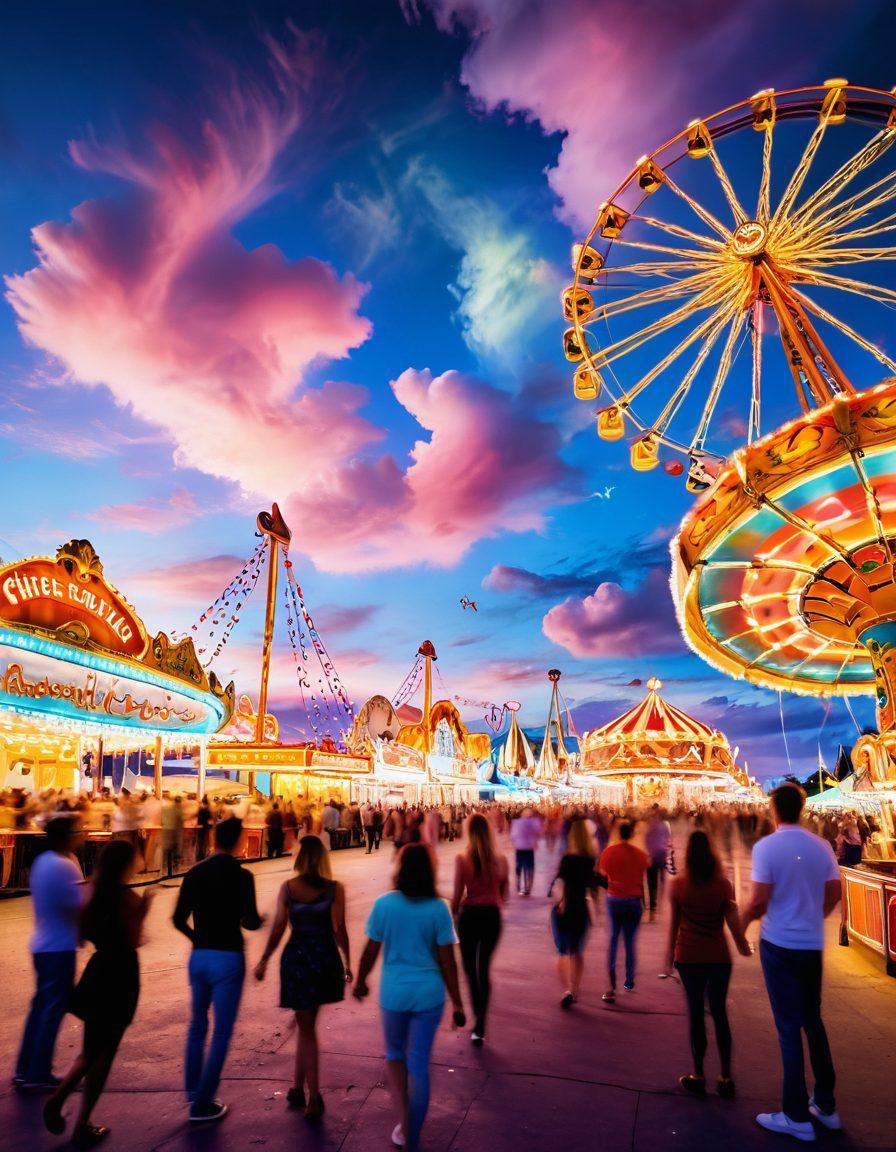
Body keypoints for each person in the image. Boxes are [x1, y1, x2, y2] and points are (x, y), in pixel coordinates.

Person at [742, 783, 843, 1141]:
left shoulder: (767, 847)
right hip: (811, 944)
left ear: (773, 809)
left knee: (788, 1027)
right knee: (812, 1020)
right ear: (801, 808)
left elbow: (758, 902)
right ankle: (826, 1106)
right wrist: (812, 919)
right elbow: (834, 892)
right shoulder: (822, 845)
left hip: (779, 943)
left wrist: (739, 929)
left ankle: (796, 1114)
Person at [354, 844, 465, 1152]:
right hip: (429, 995)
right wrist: (457, 1002)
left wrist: (361, 980)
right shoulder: (438, 908)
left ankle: (404, 1122)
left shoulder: (384, 905)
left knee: (395, 1055)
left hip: (395, 994)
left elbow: (370, 950)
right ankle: (412, 1134)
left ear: (400, 869)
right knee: (419, 1064)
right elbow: (448, 962)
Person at [43, 840, 152, 1147]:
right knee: (106, 1051)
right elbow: (134, 939)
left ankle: (59, 1098)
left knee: (91, 1047)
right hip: (121, 973)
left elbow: (80, 936)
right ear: (126, 865)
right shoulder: (127, 897)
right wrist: (143, 912)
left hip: (98, 969)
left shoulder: (91, 892)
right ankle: (82, 1122)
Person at [173, 816, 263, 1124]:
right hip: (228, 956)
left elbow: (177, 918)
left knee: (197, 1024)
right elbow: (249, 920)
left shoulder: (195, 873)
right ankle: (203, 1101)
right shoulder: (242, 877)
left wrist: (197, 938)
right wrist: (258, 920)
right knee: (221, 1032)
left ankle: (192, 1090)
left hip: (200, 957)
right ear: (238, 840)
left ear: (214, 838)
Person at [254, 836, 351, 1118]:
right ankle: (299, 1089)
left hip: (296, 958)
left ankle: (313, 1097)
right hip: (323, 957)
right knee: (307, 1025)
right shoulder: (335, 889)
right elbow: (339, 927)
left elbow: (278, 928)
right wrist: (347, 961)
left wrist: (264, 959)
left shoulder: (289, 888)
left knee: (305, 1024)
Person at [665, 830, 751, 1099]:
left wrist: (669, 957)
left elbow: (674, 925)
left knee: (695, 1014)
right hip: (718, 956)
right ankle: (725, 1077)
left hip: (688, 955)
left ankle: (698, 1074)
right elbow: (733, 921)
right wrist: (742, 945)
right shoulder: (723, 885)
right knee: (720, 1013)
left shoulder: (678, 885)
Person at [15, 815, 85, 1091]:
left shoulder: (42, 862)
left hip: (42, 944)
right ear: (65, 837)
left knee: (40, 1009)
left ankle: (25, 1069)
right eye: (76, 832)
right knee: (52, 1010)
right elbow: (79, 905)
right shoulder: (64, 865)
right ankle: (38, 1073)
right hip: (60, 946)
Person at [452, 813, 509, 1044]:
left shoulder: (462, 859)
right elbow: (504, 895)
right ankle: (481, 1023)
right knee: (483, 968)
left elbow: (456, 898)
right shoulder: (501, 860)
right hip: (492, 916)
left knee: (469, 970)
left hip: (470, 916)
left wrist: (456, 910)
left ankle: (476, 1015)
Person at [549, 819, 599, 1009]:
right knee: (577, 951)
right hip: (581, 908)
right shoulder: (590, 859)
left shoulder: (567, 859)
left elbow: (558, 884)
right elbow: (593, 885)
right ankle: (575, 988)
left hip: (564, 908)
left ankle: (567, 989)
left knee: (562, 952)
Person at [598, 822, 648, 1003]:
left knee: (612, 940)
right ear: (633, 835)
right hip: (634, 900)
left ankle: (611, 985)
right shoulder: (640, 855)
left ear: (618, 834)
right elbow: (644, 870)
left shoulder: (608, 853)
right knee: (630, 942)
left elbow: (603, 872)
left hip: (614, 899)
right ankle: (629, 980)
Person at [645, 805, 672, 920]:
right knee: (662, 878)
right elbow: (668, 839)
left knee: (651, 882)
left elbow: (645, 840)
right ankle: (662, 901)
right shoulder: (665, 825)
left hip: (651, 856)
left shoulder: (647, 826)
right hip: (662, 854)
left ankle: (653, 907)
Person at [509, 806, 541, 896]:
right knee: (529, 867)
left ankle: (519, 885)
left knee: (519, 866)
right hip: (529, 848)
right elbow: (538, 832)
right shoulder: (534, 822)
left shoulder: (516, 822)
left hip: (519, 847)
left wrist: (513, 843)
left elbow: (513, 835)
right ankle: (527, 887)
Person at [195, 797, 212, 862]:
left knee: (199, 843)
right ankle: (203, 858)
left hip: (200, 829)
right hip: (205, 829)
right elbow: (210, 822)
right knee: (204, 844)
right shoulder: (208, 811)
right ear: (207, 803)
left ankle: (198, 858)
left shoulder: (200, 810)